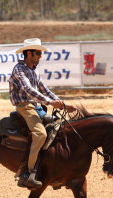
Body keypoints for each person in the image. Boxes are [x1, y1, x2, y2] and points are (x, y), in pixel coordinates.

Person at [9, 38, 76, 189]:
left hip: (35, 106)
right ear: (29, 53)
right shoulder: (19, 69)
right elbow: (29, 90)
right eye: (38, 53)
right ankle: (27, 173)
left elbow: (45, 90)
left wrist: (63, 104)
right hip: (24, 106)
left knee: (58, 130)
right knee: (41, 134)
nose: (40, 56)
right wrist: (50, 103)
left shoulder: (34, 70)